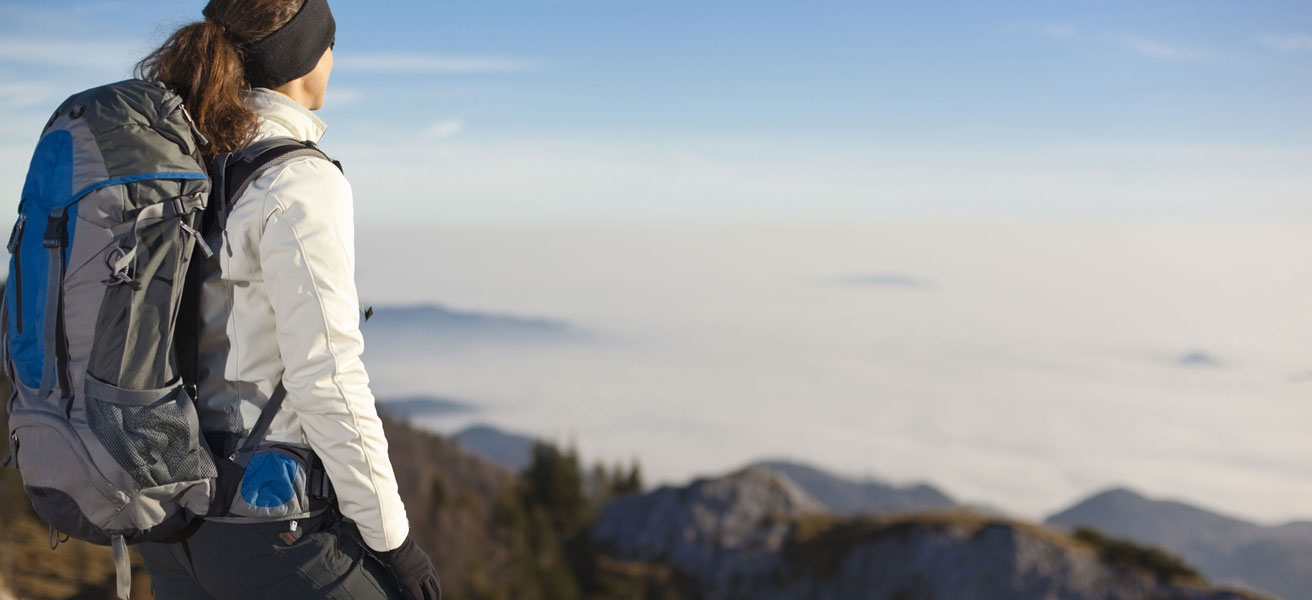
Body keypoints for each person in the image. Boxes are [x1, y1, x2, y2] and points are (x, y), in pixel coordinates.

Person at [131, 1, 441, 598]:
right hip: (265, 532)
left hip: (170, 525)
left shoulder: (186, 159)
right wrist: (395, 544)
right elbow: (326, 378)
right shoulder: (297, 181)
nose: (333, 59)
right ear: (303, 58)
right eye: (330, 43)